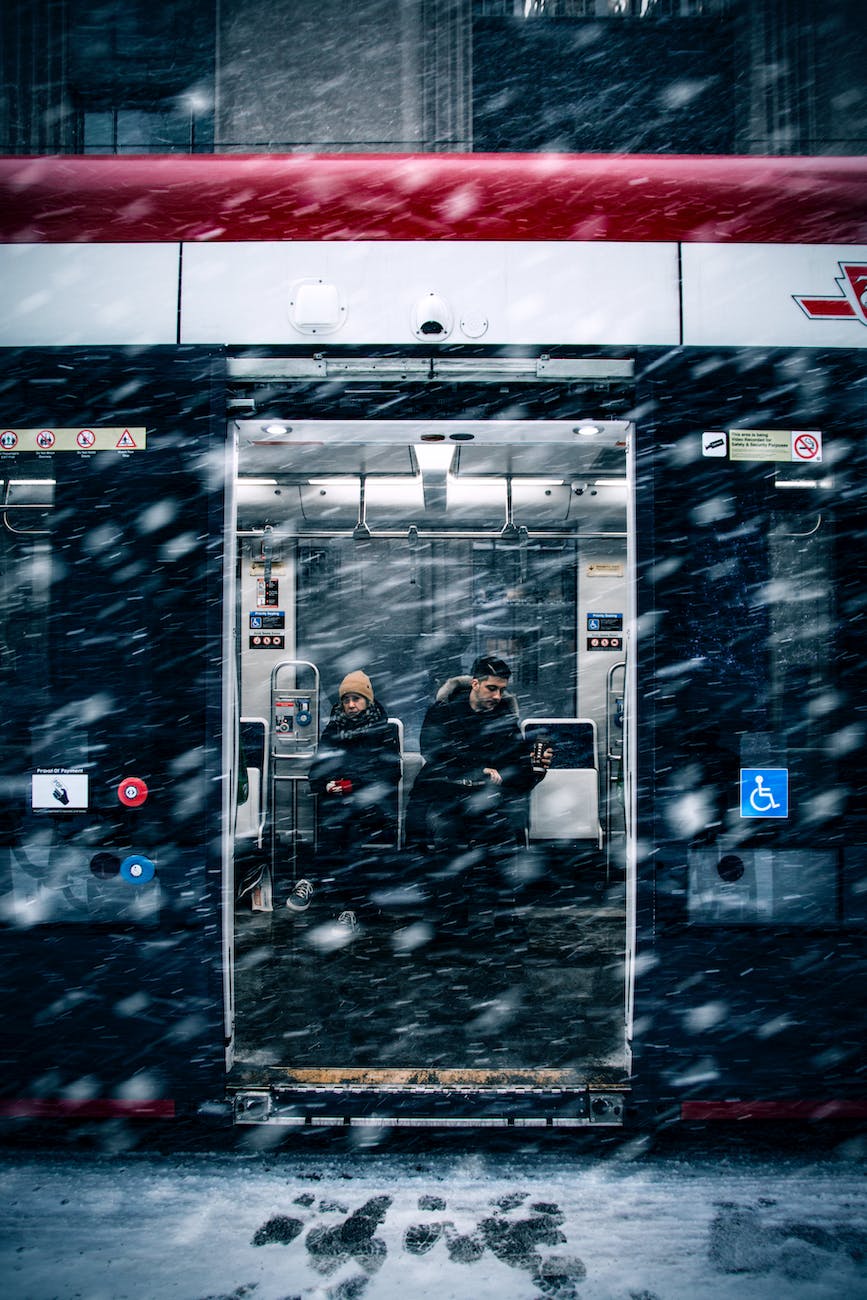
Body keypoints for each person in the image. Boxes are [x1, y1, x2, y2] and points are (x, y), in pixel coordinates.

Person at [408, 655, 551, 928]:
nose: (497, 696)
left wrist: (536, 769)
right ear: (475, 684)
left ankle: (502, 918)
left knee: (502, 840)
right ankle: (452, 918)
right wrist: (476, 771)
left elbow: (516, 769)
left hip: (487, 801)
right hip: (446, 797)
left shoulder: (504, 718)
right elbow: (435, 753)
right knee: (449, 838)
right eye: (491, 688)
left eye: (502, 690)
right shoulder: (443, 711)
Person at [287, 670, 401, 931]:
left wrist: (350, 785)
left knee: (350, 838)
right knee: (338, 832)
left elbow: (389, 773)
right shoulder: (334, 729)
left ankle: (322, 888)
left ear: (367, 701)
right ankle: (346, 906)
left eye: (356, 699)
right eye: (346, 699)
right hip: (338, 804)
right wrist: (329, 784)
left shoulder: (384, 731)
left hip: (371, 805)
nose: (351, 705)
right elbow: (317, 772)